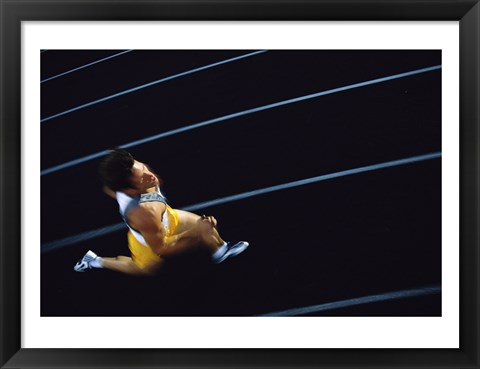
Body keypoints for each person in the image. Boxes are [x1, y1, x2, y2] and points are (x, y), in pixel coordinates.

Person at [74, 149, 249, 276]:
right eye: (142, 178)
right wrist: (195, 233)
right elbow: (161, 249)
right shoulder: (143, 214)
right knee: (145, 269)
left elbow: (109, 188)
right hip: (149, 240)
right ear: (129, 190)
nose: (150, 176)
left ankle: (221, 250)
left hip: (165, 215)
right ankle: (96, 261)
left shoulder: (131, 174)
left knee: (201, 225)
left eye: (142, 168)